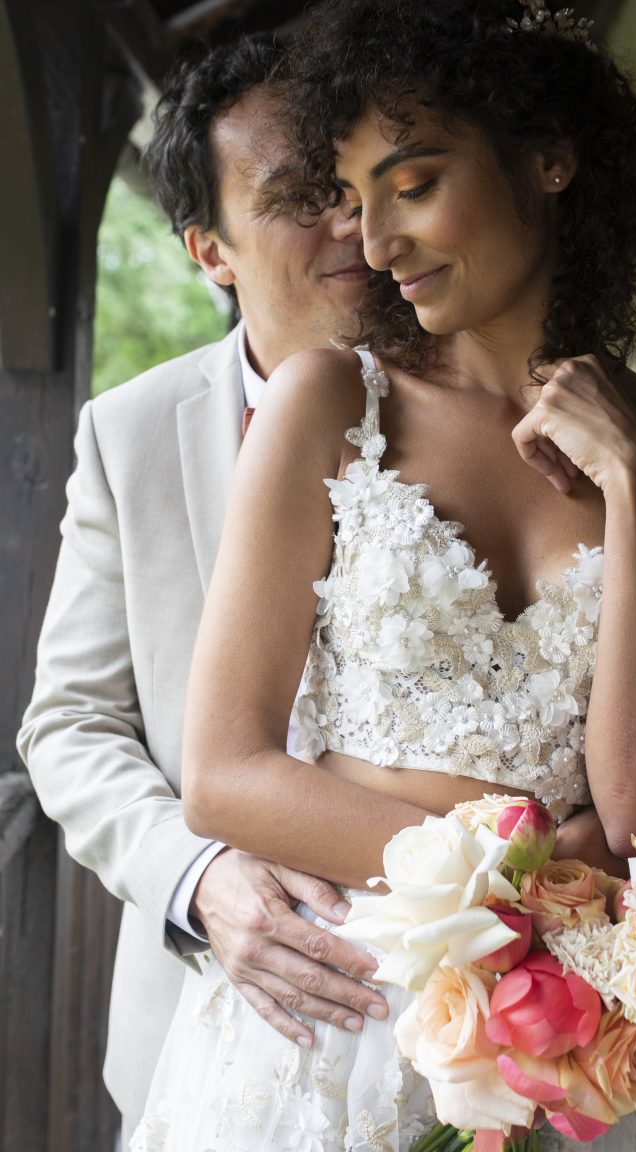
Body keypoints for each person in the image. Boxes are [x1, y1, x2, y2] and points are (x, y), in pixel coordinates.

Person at [135, 0, 636, 1149]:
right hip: (335, 1017)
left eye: (412, 183)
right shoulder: (327, 403)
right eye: (351, 195)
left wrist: (630, 482)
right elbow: (222, 775)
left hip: (571, 1049)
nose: (373, 241)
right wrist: (516, 867)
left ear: (551, 160)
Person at [16, 30, 394, 1145]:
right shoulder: (127, 433)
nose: (351, 222)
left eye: (358, 184)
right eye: (299, 196)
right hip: (206, 1034)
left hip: (462, 1008)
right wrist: (202, 876)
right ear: (207, 250)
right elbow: (69, 725)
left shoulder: (490, 404)